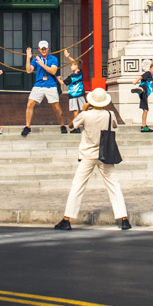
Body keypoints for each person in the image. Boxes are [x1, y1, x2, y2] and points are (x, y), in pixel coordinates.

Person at [54, 88, 130, 231]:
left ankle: (67, 219)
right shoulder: (110, 114)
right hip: (105, 154)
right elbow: (115, 125)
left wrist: (83, 110)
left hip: (88, 154)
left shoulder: (85, 115)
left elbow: (71, 125)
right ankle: (123, 218)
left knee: (77, 186)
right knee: (114, 185)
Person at [22, 40, 66, 136]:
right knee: (30, 103)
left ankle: (62, 125)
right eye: (42, 49)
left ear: (48, 48)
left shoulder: (53, 59)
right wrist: (28, 58)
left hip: (51, 85)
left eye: (45, 48)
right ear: (39, 49)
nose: (43, 50)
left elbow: (53, 71)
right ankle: (27, 126)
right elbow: (28, 70)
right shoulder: (35, 60)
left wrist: (42, 64)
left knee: (56, 106)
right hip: (39, 84)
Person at [131, 62, 153, 133]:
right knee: (146, 110)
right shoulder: (148, 73)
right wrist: (135, 81)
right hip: (143, 91)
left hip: (145, 94)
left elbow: (151, 89)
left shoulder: (151, 78)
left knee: (145, 110)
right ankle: (143, 126)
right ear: (150, 69)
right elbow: (140, 76)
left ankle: (144, 125)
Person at [64, 60, 87, 132]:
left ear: (76, 66)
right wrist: (67, 57)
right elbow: (75, 62)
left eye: (72, 65)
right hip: (80, 93)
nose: (71, 66)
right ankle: (85, 125)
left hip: (73, 94)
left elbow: (62, 83)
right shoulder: (80, 73)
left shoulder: (71, 77)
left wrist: (57, 79)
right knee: (84, 109)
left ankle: (76, 127)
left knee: (75, 110)